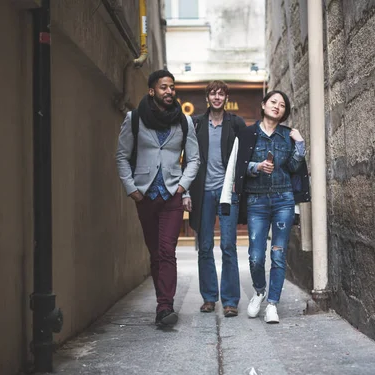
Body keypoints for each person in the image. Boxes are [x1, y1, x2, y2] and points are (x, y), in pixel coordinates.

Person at [116, 70, 200, 327]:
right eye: (164, 87)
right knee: (155, 253)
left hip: (172, 195)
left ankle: (165, 307)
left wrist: (182, 186)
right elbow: (121, 156)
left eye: (172, 87)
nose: (169, 91)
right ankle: (163, 301)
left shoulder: (184, 122)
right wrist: (131, 187)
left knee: (167, 251)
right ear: (152, 91)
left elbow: (194, 159)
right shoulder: (134, 119)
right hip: (146, 196)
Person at [219, 90, 308, 324]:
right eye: (273, 102)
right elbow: (239, 167)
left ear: (284, 112)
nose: (277, 106)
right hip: (256, 202)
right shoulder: (248, 134)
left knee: (278, 255)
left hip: (283, 200)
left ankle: (272, 305)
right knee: (256, 257)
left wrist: (299, 146)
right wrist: (256, 167)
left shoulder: (288, 136)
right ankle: (259, 291)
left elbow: (292, 168)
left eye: (281, 104)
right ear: (263, 105)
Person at [188, 81, 247, 317]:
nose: (217, 97)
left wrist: (239, 182)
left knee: (228, 246)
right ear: (207, 97)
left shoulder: (236, 123)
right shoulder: (197, 124)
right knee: (204, 246)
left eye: (221, 93)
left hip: (227, 194)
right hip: (203, 193)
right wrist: (185, 191)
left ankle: (231, 300)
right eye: (213, 93)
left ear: (226, 97)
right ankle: (209, 298)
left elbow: (245, 155)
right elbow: (189, 157)